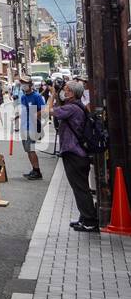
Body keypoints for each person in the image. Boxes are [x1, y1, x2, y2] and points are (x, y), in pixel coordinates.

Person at [52, 79, 98, 232]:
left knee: (80, 188)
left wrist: (52, 96)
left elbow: (50, 112)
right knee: (80, 186)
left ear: (72, 93)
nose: (63, 92)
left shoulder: (71, 108)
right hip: (79, 153)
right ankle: (84, 217)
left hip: (74, 153)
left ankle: (90, 221)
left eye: (66, 89)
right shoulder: (78, 107)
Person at [18, 76, 46, 179]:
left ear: (30, 85)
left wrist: (35, 115)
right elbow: (24, 110)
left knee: (31, 149)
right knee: (28, 150)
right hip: (24, 127)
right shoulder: (23, 97)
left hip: (32, 127)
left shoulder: (37, 96)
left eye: (25, 83)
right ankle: (34, 169)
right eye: (22, 83)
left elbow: (43, 110)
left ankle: (37, 171)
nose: (23, 85)